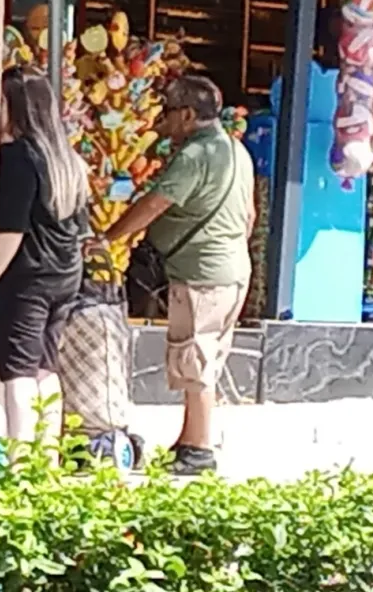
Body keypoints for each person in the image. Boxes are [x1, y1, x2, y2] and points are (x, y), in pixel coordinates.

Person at [102, 75, 253, 475]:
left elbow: (155, 204)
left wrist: (109, 237)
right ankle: (189, 439)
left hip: (202, 275)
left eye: (167, 112)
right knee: (207, 356)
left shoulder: (196, 155)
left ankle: (199, 450)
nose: (162, 121)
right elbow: (249, 217)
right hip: (232, 270)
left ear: (187, 114)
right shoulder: (236, 151)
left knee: (195, 358)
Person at [0, 66, 89, 447]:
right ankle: (46, 456)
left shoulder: (17, 156)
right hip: (65, 274)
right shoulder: (67, 159)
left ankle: (19, 459)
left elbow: (12, 230)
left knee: (17, 370)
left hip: (27, 276)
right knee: (46, 366)